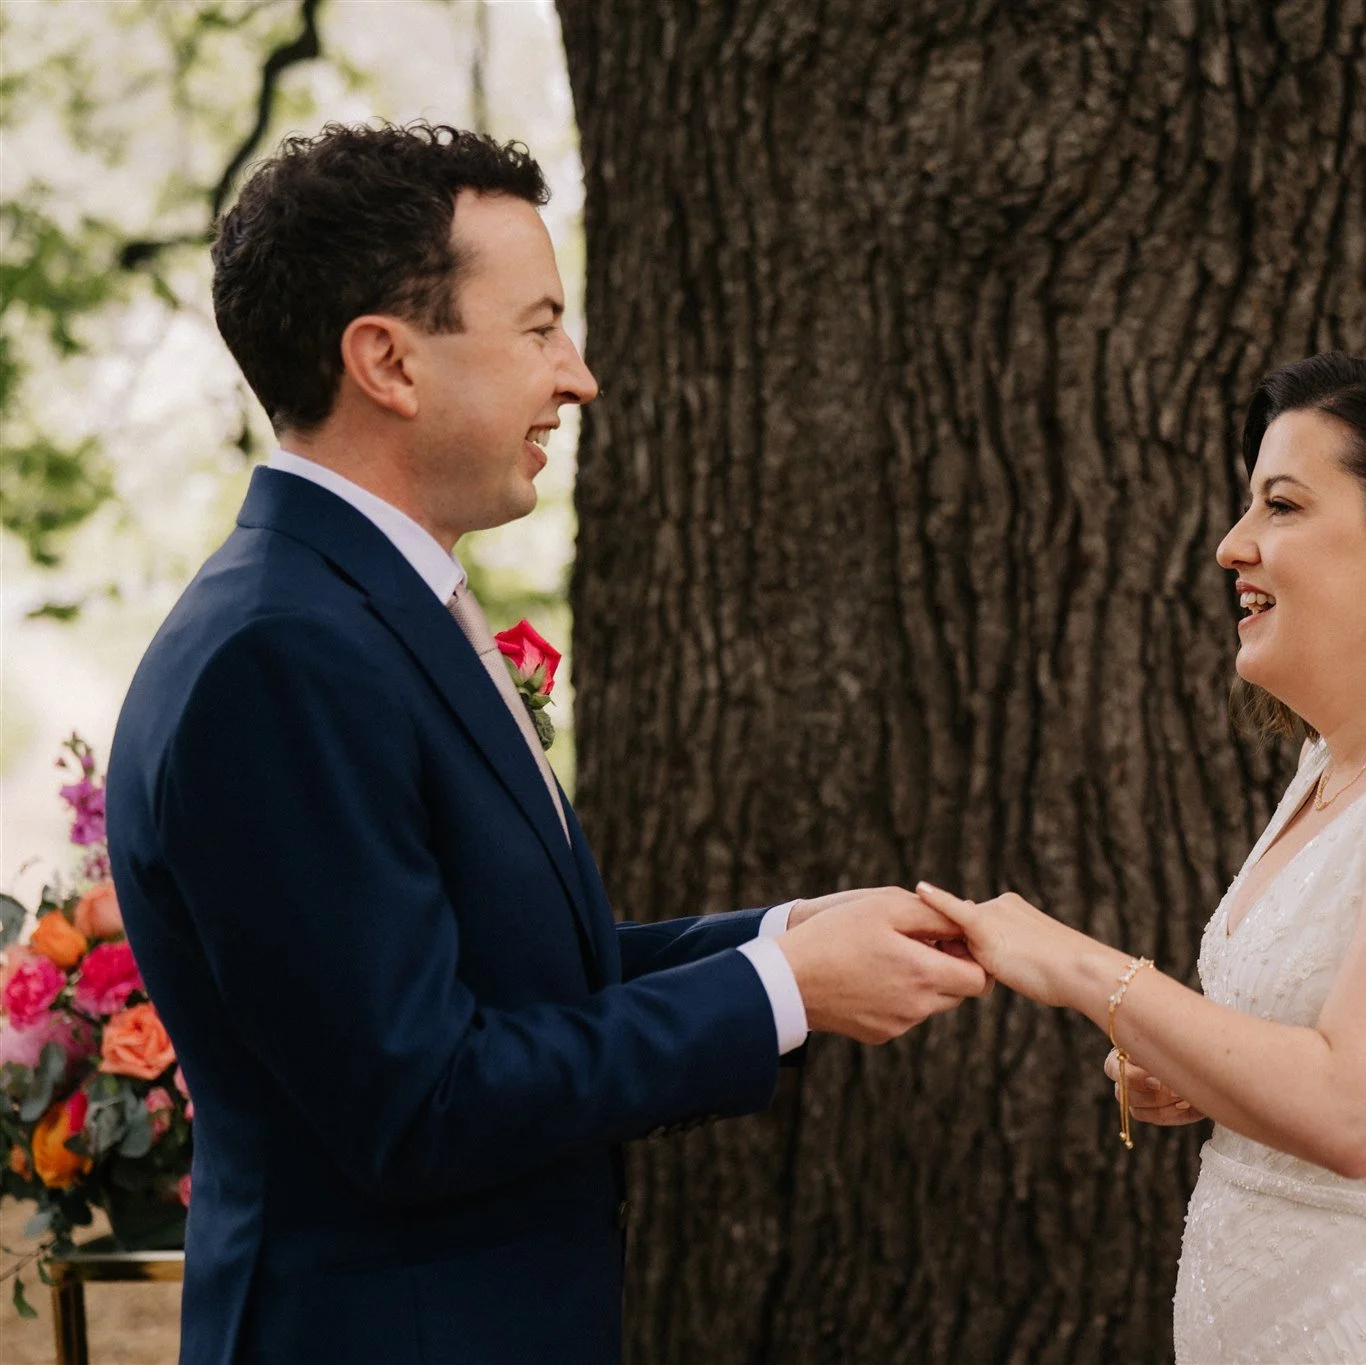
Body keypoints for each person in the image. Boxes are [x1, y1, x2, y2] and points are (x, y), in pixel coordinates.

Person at [105, 122, 986, 1365]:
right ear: (388, 361)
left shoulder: (361, 610)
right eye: (538, 329)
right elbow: (420, 1102)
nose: (578, 378)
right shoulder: (281, 654)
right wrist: (781, 994)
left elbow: (503, 983)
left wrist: (783, 938)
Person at [919, 353, 1366, 1363]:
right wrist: (1195, 1067)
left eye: (1280, 505)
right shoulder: (1331, 769)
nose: (1231, 546)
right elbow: (1327, 1047)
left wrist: (1084, 971)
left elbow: (1355, 1110)